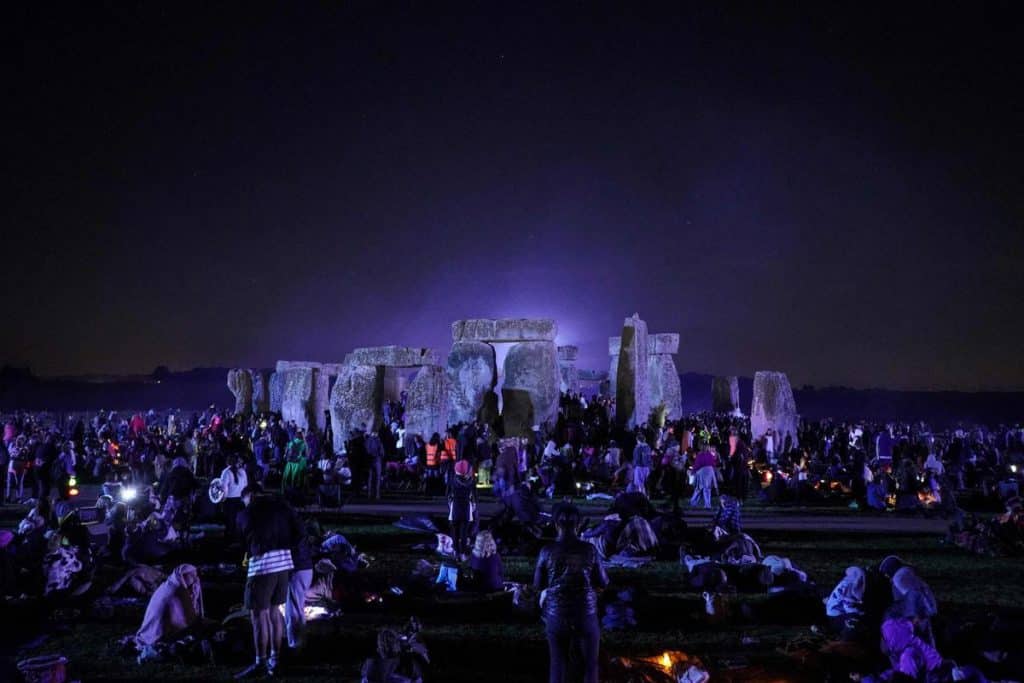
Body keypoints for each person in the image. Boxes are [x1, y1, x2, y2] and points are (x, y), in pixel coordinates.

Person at [533, 503, 609, 683]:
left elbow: (537, 584)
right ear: (579, 524)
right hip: (585, 614)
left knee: (557, 663)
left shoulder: (546, 551)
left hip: (556, 614)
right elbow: (604, 581)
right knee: (590, 665)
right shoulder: (589, 550)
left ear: (555, 524)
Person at [235, 484, 303, 679]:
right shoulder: (282, 506)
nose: (245, 503)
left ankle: (260, 662)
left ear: (251, 495)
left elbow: (240, 542)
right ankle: (276, 660)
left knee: (258, 616)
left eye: (245, 499)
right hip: (284, 564)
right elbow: (300, 531)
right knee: (274, 612)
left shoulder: (247, 513)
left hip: (262, 568)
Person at [447, 460, 477, 557]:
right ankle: (463, 551)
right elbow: (475, 494)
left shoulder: (452, 479)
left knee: (454, 530)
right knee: (464, 531)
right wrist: (474, 503)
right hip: (466, 507)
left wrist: (448, 502)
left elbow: (447, 493)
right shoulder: (471, 481)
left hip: (455, 506)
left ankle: (455, 550)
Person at [220, 454, 248, 545]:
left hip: (229, 500)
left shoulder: (226, 472)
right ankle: (240, 539)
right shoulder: (243, 471)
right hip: (241, 500)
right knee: (239, 520)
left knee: (230, 521)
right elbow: (246, 486)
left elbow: (223, 488)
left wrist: (221, 500)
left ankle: (230, 541)